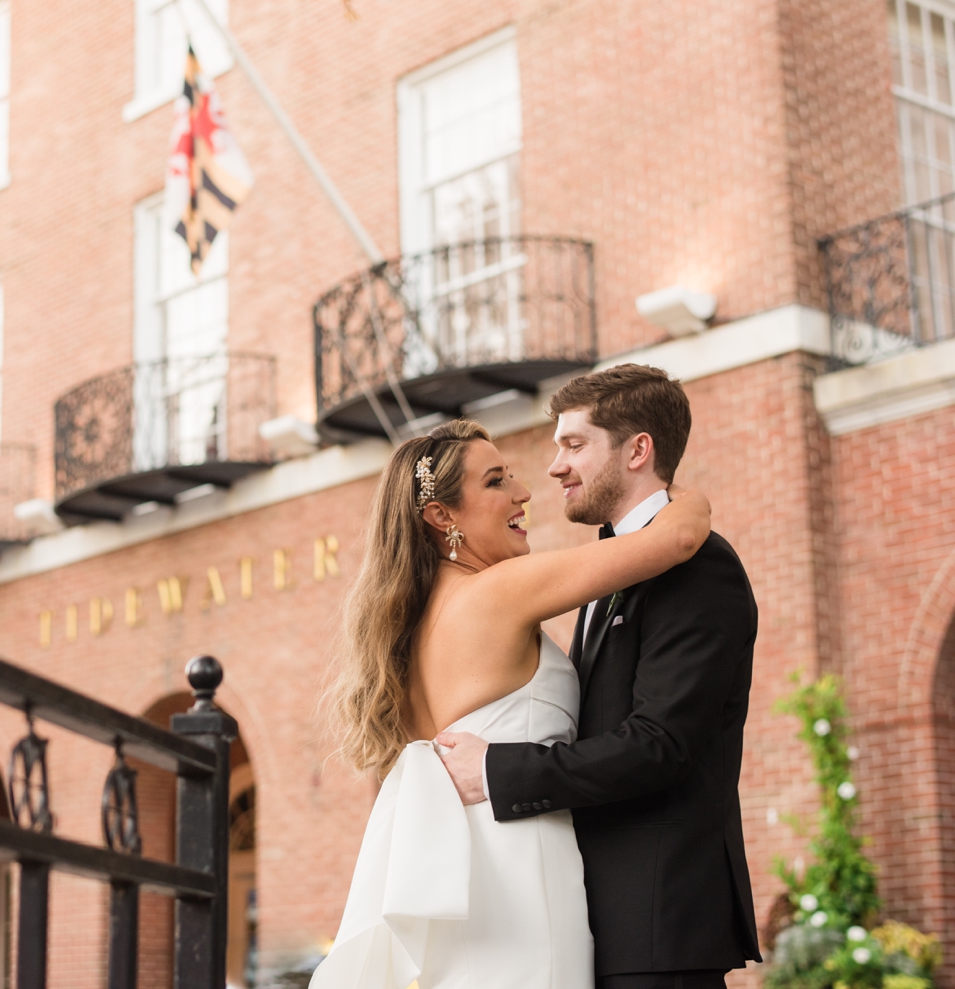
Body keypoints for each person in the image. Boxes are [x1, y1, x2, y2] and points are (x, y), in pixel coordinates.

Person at [313, 403, 713, 989]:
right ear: (440, 514)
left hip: (455, 880)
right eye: (497, 481)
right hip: (520, 874)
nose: (523, 491)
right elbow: (677, 538)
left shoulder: (399, 637)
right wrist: (685, 494)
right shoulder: (496, 593)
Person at [436, 364, 761, 989]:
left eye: (574, 444)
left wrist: (496, 770)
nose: (554, 466)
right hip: (596, 923)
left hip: (657, 927)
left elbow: (659, 746)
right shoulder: (613, 566)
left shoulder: (700, 569)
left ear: (639, 449)